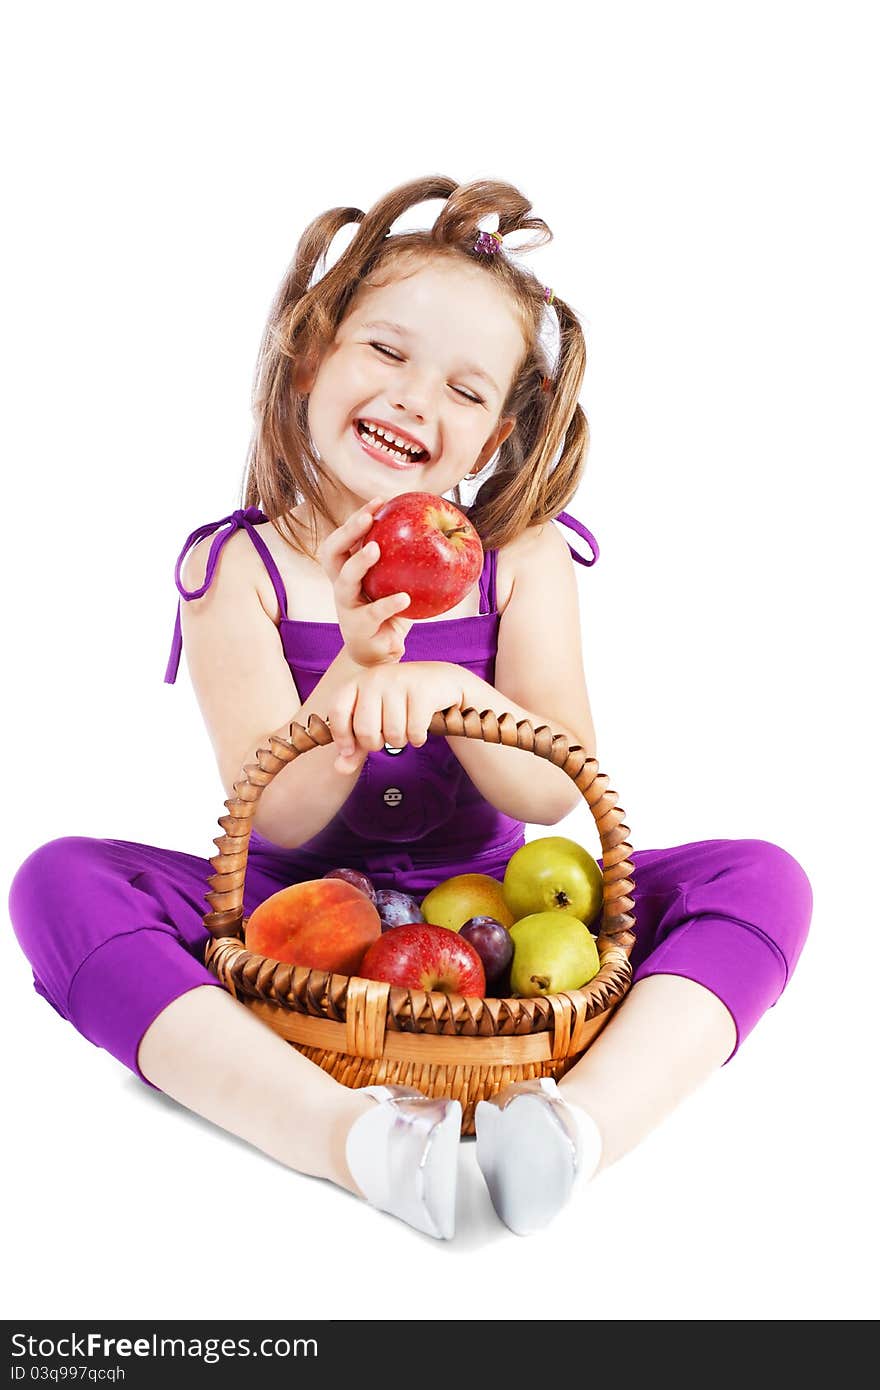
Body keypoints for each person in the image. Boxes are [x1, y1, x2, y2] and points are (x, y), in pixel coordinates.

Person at [7, 175, 812, 1240]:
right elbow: (279, 817)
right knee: (58, 881)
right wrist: (354, 660)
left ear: (494, 441)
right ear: (310, 356)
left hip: (494, 925)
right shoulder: (231, 567)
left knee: (763, 876)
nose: (413, 399)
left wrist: (454, 689)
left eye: (465, 389)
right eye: (385, 352)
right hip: (285, 923)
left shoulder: (520, 558)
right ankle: (350, 1138)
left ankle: (577, 1131)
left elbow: (554, 789)